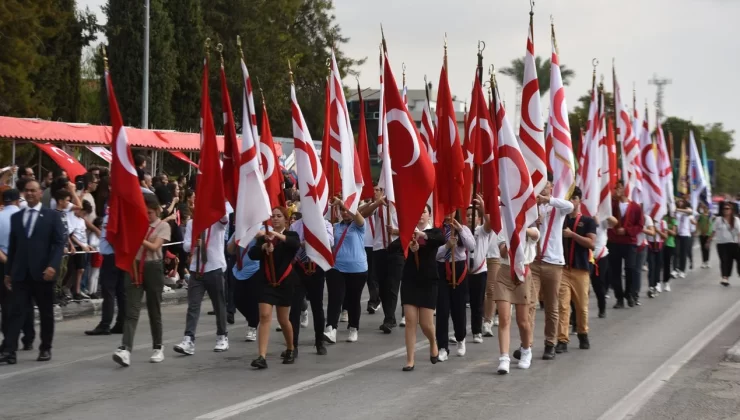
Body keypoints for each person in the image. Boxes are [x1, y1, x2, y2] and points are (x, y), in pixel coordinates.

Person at [0, 181, 65, 365]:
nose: (29, 194)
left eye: (33, 191)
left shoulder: (51, 216)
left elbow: (59, 243)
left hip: (43, 273)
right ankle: (10, 351)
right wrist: (8, 272)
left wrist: (53, 265)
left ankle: (45, 347)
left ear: (40, 193)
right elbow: (13, 247)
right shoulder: (17, 217)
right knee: (15, 311)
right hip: (21, 273)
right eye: (27, 191)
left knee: (45, 312)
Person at [112, 194, 171, 367]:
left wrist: (138, 237)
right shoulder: (137, 224)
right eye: (145, 212)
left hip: (153, 267)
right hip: (135, 267)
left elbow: (154, 247)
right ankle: (125, 348)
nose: (148, 216)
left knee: (154, 309)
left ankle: (158, 347)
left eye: (150, 213)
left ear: (157, 211)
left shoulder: (163, 226)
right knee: (132, 310)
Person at [249, 207, 300, 369]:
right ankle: (261, 356)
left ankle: (290, 348)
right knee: (264, 316)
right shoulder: (265, 237)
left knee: (283, 319)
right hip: (266, 281)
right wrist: (264, 247)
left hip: (285, 282)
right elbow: (252, 253)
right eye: (273, 216)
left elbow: (294, 244)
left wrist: (274, 236)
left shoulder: (291, 235)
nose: (276, 219)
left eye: (279, 216)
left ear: (286, 219)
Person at [173, 213, 230, 356]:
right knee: (193, 306)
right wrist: (194, 243)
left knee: (219, 304)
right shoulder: (193, 223)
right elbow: (185, 246)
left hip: (214, 268)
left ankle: (222, 336)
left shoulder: (217, 222)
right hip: (196, 270)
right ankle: (188, 339)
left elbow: (224, 219)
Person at [531, 180, 574, 361]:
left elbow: (570, 206)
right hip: (533, 261)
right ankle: (527, 345)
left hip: (553, 262)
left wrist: (548, 200)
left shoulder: (558, 208)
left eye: (546, 186)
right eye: (540, 186)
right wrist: (533, 221)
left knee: (551, 306)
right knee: (529, 304)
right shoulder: (532, 208)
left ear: (551, 189)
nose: (542, 189)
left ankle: (550, 343)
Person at [400, 205, 444, 371]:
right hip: (410, 279)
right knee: (411, 320)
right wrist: (407, 245)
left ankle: (433, 341)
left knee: (426, 324)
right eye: (418, 212)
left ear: (429, 215)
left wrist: (422, 236)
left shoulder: (433, 232)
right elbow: (394, 247)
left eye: (424, 212)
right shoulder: (408, 232)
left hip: (428, 280)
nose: (420, 216)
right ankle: (410, 360)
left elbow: (440, 239)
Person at [494, 224, 539, 374]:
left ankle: (526, 350)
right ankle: (504, 358)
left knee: (522, 320)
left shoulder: (530, 226)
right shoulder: (503, 229)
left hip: (522, 272)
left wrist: (521, 229)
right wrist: (510, 237)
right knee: (504, 318)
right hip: (505, 273)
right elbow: (502, 253)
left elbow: (535, 235)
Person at [556, 187, 596, 353]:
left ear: (579, 200)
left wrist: (573, 235)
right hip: (563, 269)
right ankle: (562, 339)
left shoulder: (588, 221)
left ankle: (582, 333)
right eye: (568, 199)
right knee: (563, 306)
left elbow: (591, 243)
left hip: (581, 269)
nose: (571, 202)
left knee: (581, 306)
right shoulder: (561, 220)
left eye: (574, 199)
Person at [360, 186, 404, 334]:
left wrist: (396, 231)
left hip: (396, 248)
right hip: (379, 248)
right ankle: (389, 316)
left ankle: (389, 319)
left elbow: (411, 226)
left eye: (379, 189)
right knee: (383, 285)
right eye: (377, 189)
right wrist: (378, 203)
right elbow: (362, 214)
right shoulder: (378, 205)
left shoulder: (402, 204)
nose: (376, 191)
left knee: (393, 284)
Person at [289, 210, 333, 355]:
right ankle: (292, 345)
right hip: (299, 268)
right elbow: (291, 244)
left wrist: (313, 239)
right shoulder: (295, 226)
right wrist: (299, 244)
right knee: (295, 308)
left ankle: (319, 341)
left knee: (317, 306)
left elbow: (330, 242)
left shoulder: (325, 224)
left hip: (316, 268)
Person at [324, 198, 367, 344]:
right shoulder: (334, 226)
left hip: (357, 269)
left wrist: (345, 203)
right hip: (336, 268)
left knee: (353, 300)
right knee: (335, 298)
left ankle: (353, 327)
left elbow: (357, 215)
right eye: (342, 210)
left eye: (347, 210)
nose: (345, 212)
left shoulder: (359, 225)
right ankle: (331, 329)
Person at [435, 211, 475, 361]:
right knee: (442, 309)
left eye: (450, 210)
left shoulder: (463, 228)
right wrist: (446, 246)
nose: (447, 213)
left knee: (458, 308)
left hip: (459, 269)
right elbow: (434, 254)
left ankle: (460, 337)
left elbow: (471, 246)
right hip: (441, 268)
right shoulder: (437, 230)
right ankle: (442, 347)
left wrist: (460, 230)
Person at [0, 189, 35, 353]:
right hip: (23, 264)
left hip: (4, 264)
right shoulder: (24, 218)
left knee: (7, 303)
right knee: (25, 302)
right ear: (16, 200)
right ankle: (28, 338)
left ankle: (8, 340)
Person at [85, 207, 126, 336]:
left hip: (111, 258)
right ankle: (121, 323)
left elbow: (111, 237)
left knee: (109, 292)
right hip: (120, 257)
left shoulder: (112, 218)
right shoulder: (123, 217)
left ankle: (105, 324)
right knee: (121, 292)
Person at [607, 180, 644, 309]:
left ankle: (629, 294)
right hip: (614, 242)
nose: (618, 190)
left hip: (629, 243)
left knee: (630, 269)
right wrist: (614, 232)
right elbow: (605, 219)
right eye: (616, 187)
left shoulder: (635, 207)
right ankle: (619, 298)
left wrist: (627, 231)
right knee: (615, 271)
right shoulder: (611, 205)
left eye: (620, 188)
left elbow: (640, 225)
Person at [467, 196, 495, 344]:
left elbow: (490, 223)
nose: (470, 217)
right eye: (467, 215)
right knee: (461, 304)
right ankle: (460, 333)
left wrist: (484, 210)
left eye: (473, 215)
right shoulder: (462, 231)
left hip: (479, 272)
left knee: (477, 304)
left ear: (478, 219)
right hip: (464, 273)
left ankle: (476, 331)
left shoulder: (482, 231)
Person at [591, 210, 617, 318]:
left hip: (600, 255)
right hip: (586, 254)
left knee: (598, 284)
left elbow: (614, 222)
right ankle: (575, 317)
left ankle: (602, 308)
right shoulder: (583, 216)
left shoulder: (602, 217)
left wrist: (605, 215)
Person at [67, 200, 94, 300]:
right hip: (76, 246)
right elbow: (72, 235)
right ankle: (72, 289)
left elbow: (83, 235)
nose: (84, 215)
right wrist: (81, 245)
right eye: (84, 213)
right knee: (75, 269)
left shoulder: (82, 220)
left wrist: (87, 245)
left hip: (84, 247)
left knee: (81, 269)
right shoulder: (72, 218)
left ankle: (77, 290)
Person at [709, 202, 740, 287]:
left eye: (727, 209)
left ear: (731, 210)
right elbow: (713, 231)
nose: (725, 210)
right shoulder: (718, 220)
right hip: (722, 244)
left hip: (734, 243)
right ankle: (725, 278)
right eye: (724, 209)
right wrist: (709, 241)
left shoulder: (736, 220)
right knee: (724, 260)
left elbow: (739, 232)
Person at [632, 212, 654, 306]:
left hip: (641, 246)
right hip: (629, 245)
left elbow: (652, 232)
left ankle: (635, 295)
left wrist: (641, 229)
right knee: (629, 270)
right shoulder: (629, 215)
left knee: (637, 270)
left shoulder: (646, 218)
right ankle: (628, 293)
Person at [647, 213, 668, 298]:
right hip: (650, 246)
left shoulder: (663, 223)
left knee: (658, 266)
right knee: (651, 266)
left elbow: (665, 236)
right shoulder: (649, 221)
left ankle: (657, 283)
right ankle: (651, 286)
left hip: (659, 246)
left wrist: (657, 230)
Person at [675, 198, 695, 279]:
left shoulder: (687, 210)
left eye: (682, 201)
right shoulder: (676, 212)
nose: (680, 202)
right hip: (677, 234)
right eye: (679, 201)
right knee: (676, 252)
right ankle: (676, 269)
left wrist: (677, 209)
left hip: (685, 234)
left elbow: (690, 212)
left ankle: (682, 270)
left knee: (683, 253)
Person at [661, 212, 678, 292]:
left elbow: (674, 233)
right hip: (660, 243)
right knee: (659, 264)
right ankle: (656, 283)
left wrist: (666, 229)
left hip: (669, 244)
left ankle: (666, 282)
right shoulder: (662, 218)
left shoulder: (674, 220)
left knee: (667, 264)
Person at [697, 204, 713, 269]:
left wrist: (707, 232)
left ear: (708, 209)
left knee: (707, 248)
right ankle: (703, 261)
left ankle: (707, 261)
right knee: (702, 248)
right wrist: (700, 231)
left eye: (707, 208)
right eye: (704, 208)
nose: (705, 209)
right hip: (701, 233)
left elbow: (710, 224)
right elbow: (698, 223)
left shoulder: (710, 216)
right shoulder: (700, 216)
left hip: (708, 234)